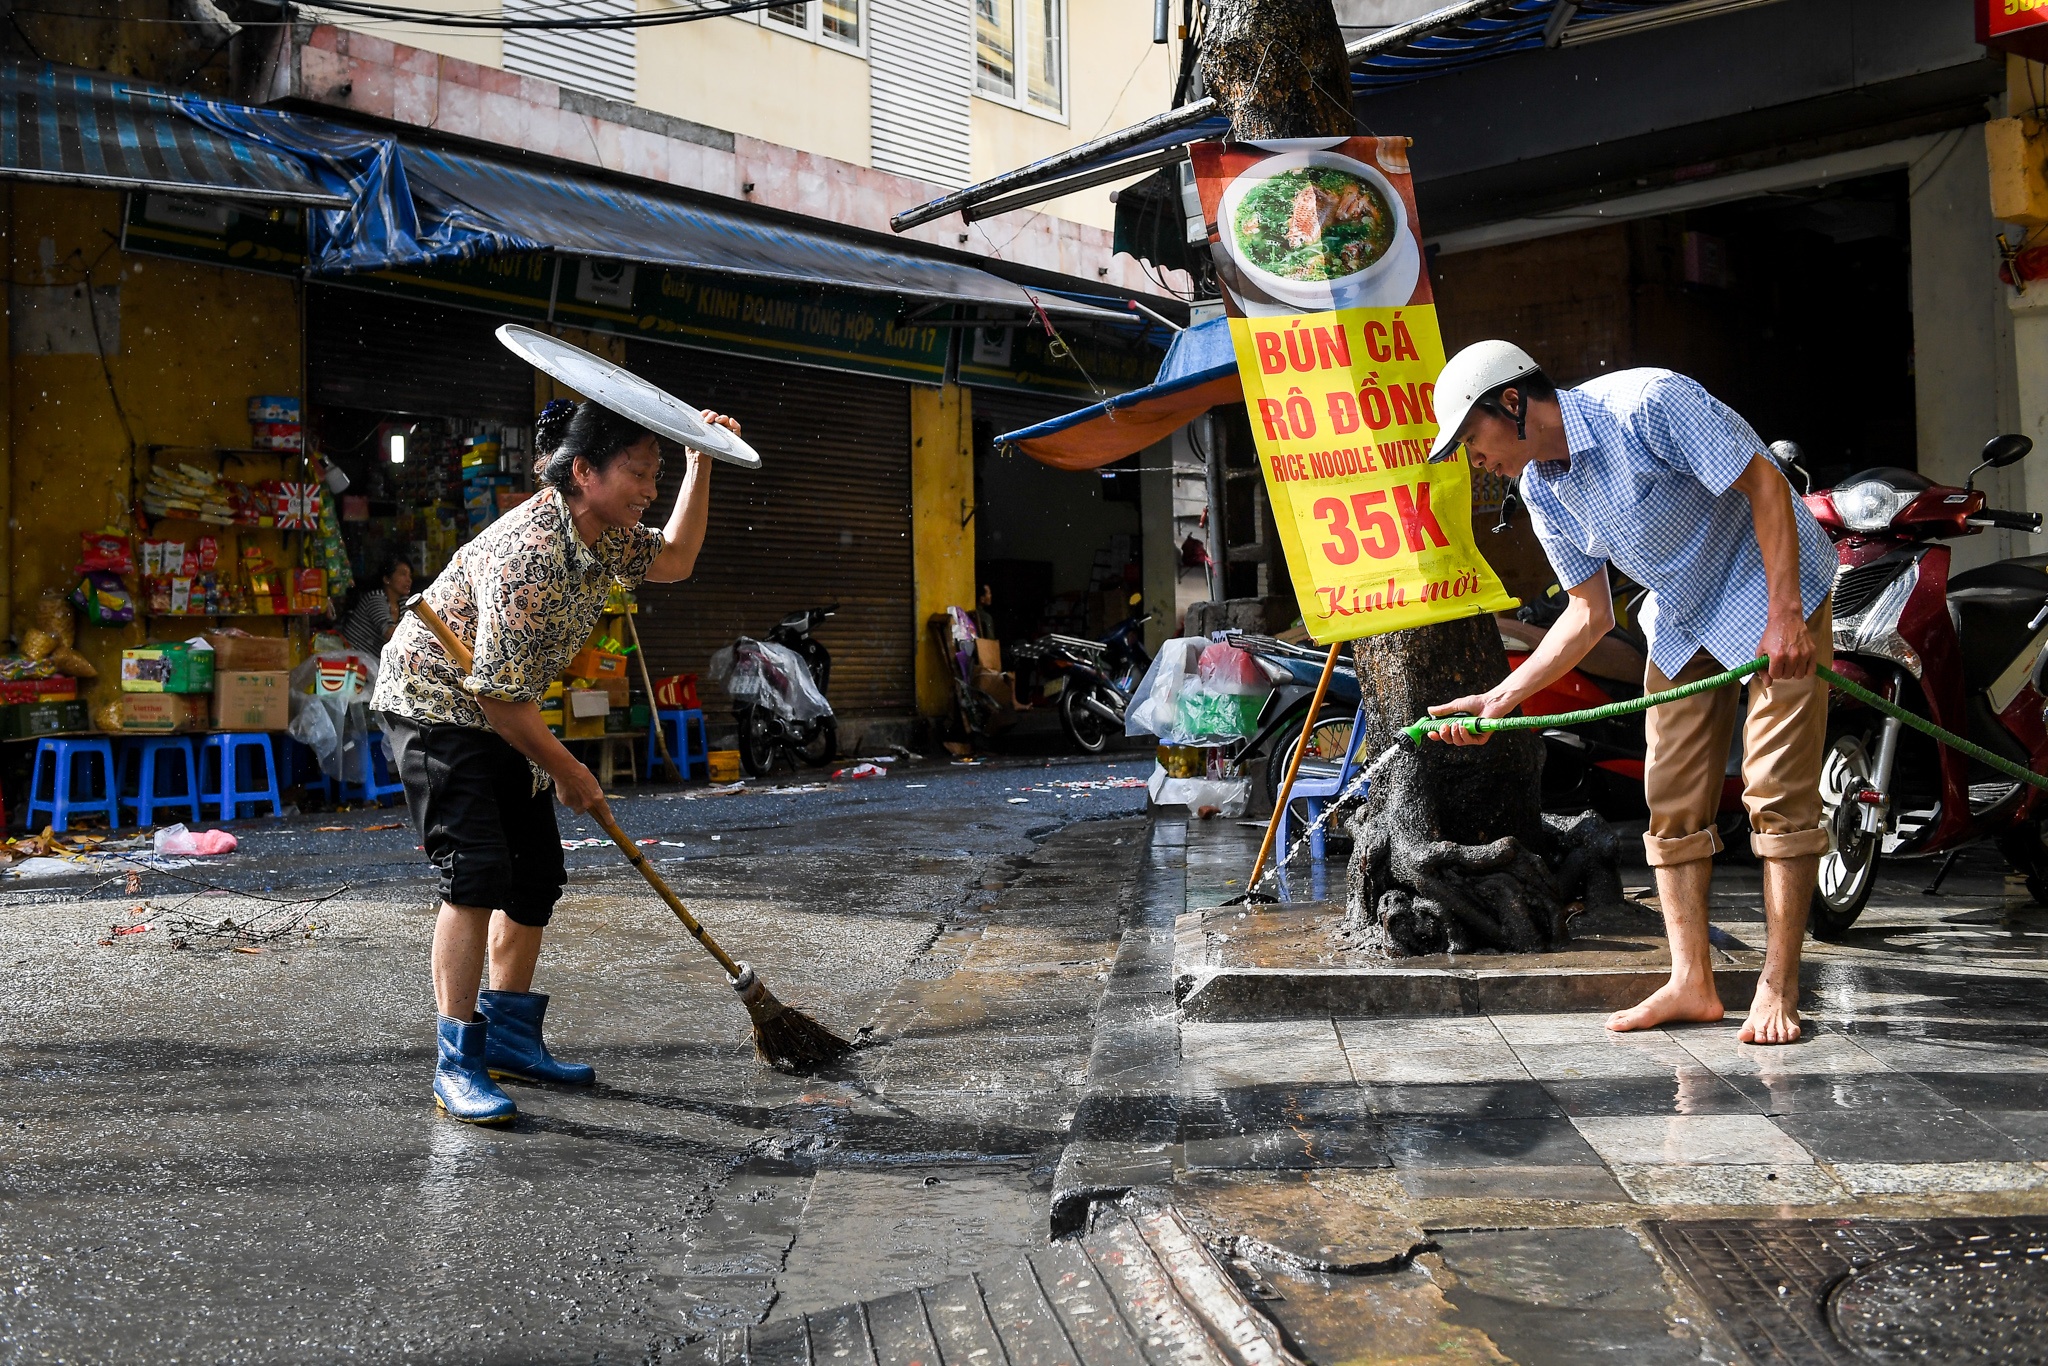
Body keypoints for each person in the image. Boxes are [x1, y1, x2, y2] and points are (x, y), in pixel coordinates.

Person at [1423, 342, 1834, 1046]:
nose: (1472, 457)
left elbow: (1765, 484)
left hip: (1770, 588)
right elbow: (1589, 614)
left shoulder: (1647, 404)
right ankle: (1691, 981)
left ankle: (1778, 984)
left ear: (1513, 402)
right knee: (1670, 793)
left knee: (1772, 788)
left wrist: (1786, 615)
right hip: (1682, 615)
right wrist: (1503, 699)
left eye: (1470, 436)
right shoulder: (1543, 489)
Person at [370, 394, 737, 1123]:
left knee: (535, 874)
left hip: (499, 706)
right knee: (474, 873)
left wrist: (702, 462)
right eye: (639, 471)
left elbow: (679, 557)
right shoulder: (528, 553)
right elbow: (501, 700)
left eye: (655, 473)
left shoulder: (607, 533)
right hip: (437, 703)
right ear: (584, 471)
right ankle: (457, 1061)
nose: (649, 487)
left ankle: (509, 1038)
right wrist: (568, 769)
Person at [342, 557, 412, 658]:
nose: (409, 580)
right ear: (387, 579)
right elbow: (389, 633)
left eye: (410, 576)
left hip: (372, 662)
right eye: (403, 574)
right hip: (353, 660)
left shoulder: (403, 603)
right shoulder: (375, 598)